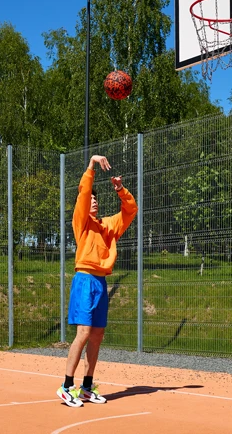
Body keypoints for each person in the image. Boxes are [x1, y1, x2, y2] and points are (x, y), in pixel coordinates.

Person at [56, 154, 138, 407]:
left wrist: (120, 189)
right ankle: (66, 386)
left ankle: (86, 388)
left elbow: (130, 210)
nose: (92, 201)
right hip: (85, 280)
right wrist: (91, 165)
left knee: (97, 335)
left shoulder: (109, 226)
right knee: (82, 333)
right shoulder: (82, 223)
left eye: (95, 199)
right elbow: (83, 194)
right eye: (90, 199)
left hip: (100, 282)